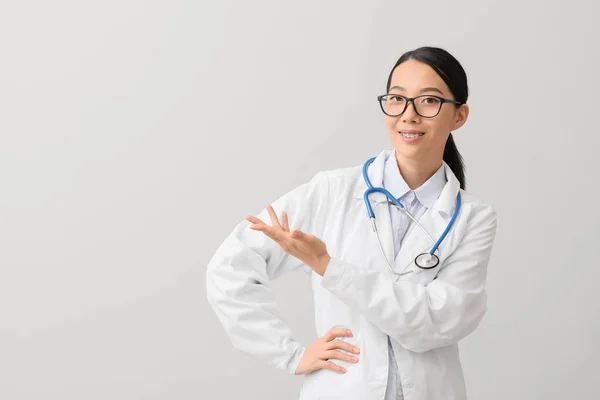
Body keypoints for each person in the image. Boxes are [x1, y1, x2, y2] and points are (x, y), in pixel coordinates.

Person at [205, 46, 498, 400]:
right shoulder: (333, 192)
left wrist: (327, 267)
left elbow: (437, 322)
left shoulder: (472, 218)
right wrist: (290, 354)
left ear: (459, 115)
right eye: (397, 99)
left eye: (429, 101)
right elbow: (229, 267)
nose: (409, 115)